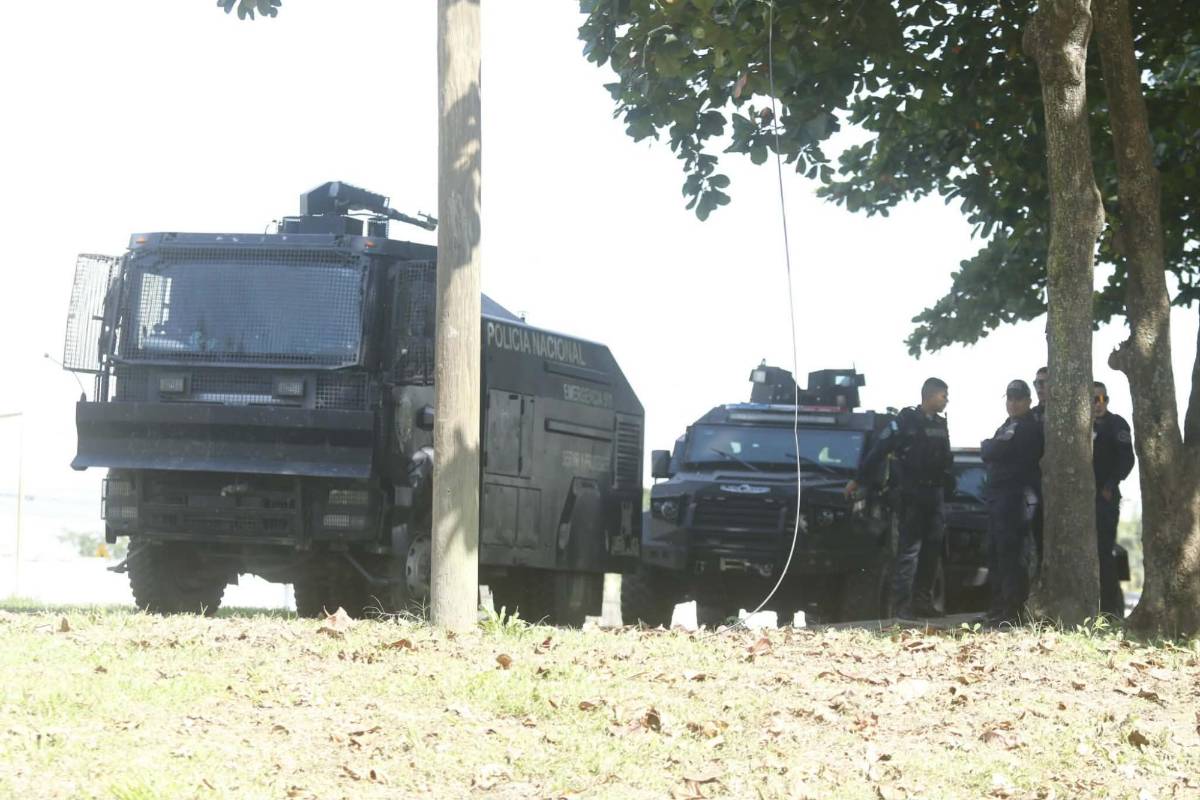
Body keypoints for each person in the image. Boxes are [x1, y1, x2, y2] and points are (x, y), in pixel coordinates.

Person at [845, 377, 953, 619]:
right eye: (943, 395)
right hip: (911, 494)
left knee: (931, 551)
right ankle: (902, 606)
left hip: (935, 495)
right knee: (909, 553)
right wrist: (858, 480)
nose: (946, 400)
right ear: (930, 395)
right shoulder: (905, 421)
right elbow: (878, 450)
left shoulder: (940, 424)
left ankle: (923, 602)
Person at [980, 379, 1044, 627]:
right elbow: (993, 450)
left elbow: (991, 451)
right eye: (1010, 398)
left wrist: (988, 445)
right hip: (1000, 497)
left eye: (1019, 399)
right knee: (996, 554)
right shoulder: (1009, 425)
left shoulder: (1027, 426)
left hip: (1015, 497)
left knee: (1011, 554)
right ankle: (998, 607)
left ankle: (1012, 610)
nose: (1014, 403)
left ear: (1028, 401)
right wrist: (991, 447)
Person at [1092, 381, 1135, 619]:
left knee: (1104, 551)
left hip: (1105, 497)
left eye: (1100, 399)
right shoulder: (1079, 427)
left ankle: (1110, 609)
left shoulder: (1116, 424)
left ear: (1106, 401)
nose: (1096, 405)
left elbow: (1126, 459)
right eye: (1091, 399)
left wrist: (1110, 484)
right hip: (1083, 499)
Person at [1029, 366, 1049, 569]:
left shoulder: (1068, 414)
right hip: (1034, 489)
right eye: (1037, 383)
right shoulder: (1030, 415)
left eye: (1044, 382)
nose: (1039, 387)